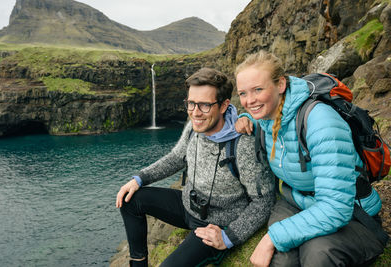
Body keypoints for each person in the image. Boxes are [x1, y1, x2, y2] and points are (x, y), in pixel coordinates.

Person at [234, 50, 387, 267]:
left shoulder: (320, 120)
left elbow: (336, 207)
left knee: (318, 255)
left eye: (258, 89)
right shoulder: (267, 116)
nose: (249, 100)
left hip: (350, 211)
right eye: (243, 93)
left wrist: (271, 238)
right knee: (281, 262)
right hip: (297, 200)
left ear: (280, 85)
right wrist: (245, 118)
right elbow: (263, 116)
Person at [115, 67, 275, 267]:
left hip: (217, 223)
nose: (195, 112)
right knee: (131, 200)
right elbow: (177, 157)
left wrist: (229, 237)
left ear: (224, 105)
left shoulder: (243, 144)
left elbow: (264, 201)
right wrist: (139, 178)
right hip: (188, 205)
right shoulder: (195, 126)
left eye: (204, 105)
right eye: (191, 103)